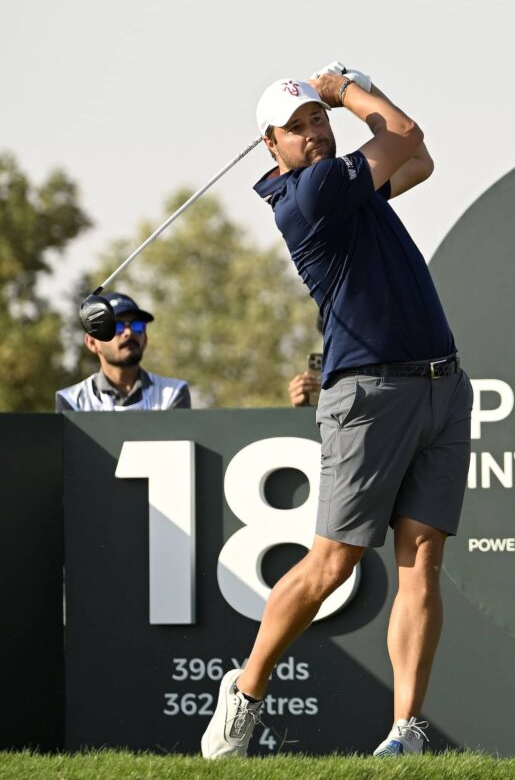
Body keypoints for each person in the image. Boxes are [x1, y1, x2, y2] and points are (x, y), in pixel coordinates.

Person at [201, 66, 472, 760]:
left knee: (422, 560)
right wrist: (351, 86)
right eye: (299, 126)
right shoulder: (313, 193)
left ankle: (405, 731)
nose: (316, 130)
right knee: (333, 562)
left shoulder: (351, 190)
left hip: (439, 383)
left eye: (320, 117)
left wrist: (357, 102)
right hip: (370, 393)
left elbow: (419, 158)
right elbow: (404, 133)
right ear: (272, 146)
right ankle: (246, 692)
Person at [56, 292, 190, 411]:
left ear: (145, 339)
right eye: (117, 326)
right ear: (92, 343)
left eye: (137, 326)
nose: (128, 332)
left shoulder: (173, 393)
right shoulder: (72, 401)